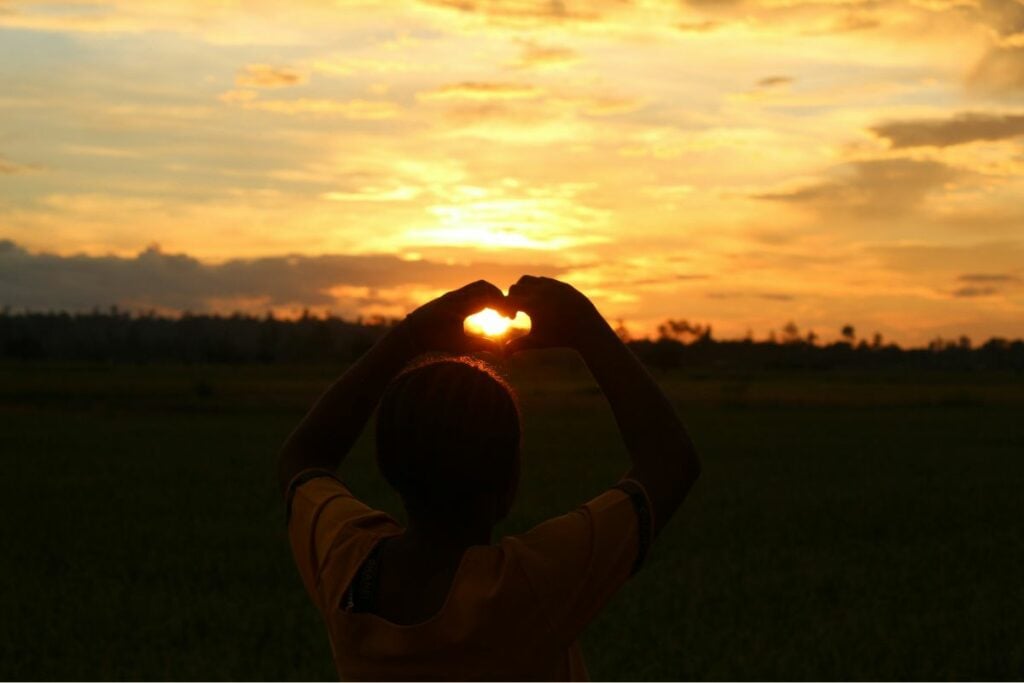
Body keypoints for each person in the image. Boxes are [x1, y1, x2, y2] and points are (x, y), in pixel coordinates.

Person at [278, 276, 701, 680]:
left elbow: (303, 458)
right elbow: (671, 462)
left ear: (387, 465)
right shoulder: (528, 587)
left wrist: (410, 336)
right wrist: (585, 325)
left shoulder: (348, 570)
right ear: (508, 486)